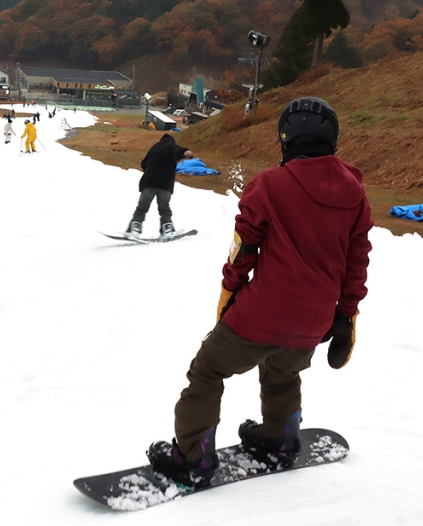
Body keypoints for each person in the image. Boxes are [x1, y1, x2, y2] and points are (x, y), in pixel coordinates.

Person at [145, 97, 373, 488]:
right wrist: (345, 316)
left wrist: (229, 291)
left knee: (207, 372)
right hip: (314, 322)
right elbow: (357, 265)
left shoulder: (269, 184)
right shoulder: (356, 194)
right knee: (283, 374)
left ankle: (192, 458)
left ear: (286, 138)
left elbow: (244, 247)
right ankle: (280, 442)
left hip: (262, 313)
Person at [124, 134, 193, 240]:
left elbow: (143, 164)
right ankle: (167, 230)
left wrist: (151, 170)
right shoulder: (171, 147)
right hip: (165, 185)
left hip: (149, 183)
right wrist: (187, 153)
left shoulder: (154, 148)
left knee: (141, 208)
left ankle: (134, 230)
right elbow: (180, 151)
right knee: (164, 209)